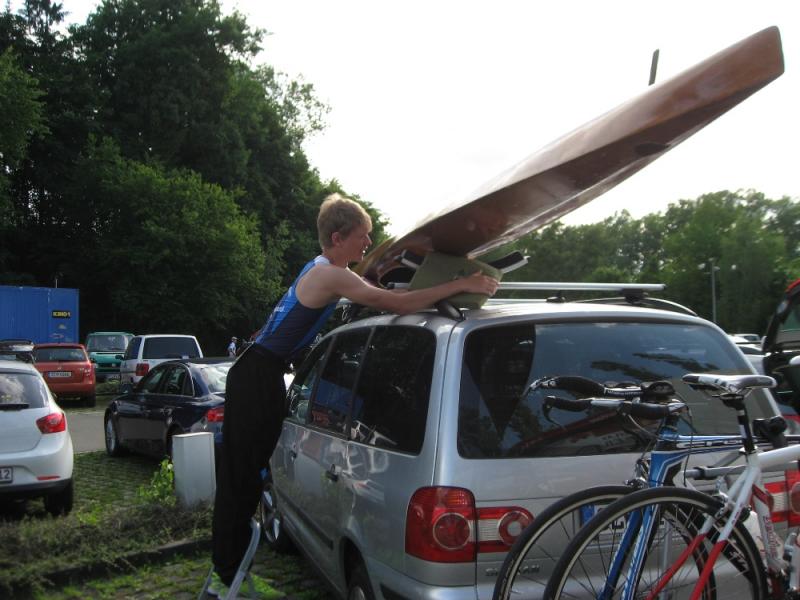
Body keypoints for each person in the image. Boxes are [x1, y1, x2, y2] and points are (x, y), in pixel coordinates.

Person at [210, 193, 498, 592]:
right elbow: (394, 303)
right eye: (363, 236)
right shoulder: (330, 276)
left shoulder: (324, 267)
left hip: (259, 372)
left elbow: (373, 286)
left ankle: (230, 569)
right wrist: (463, 282)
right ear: (338, 237)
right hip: (257, 376)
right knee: (242, 478)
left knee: (245, 475)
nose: (368, 243)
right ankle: (226, 575)